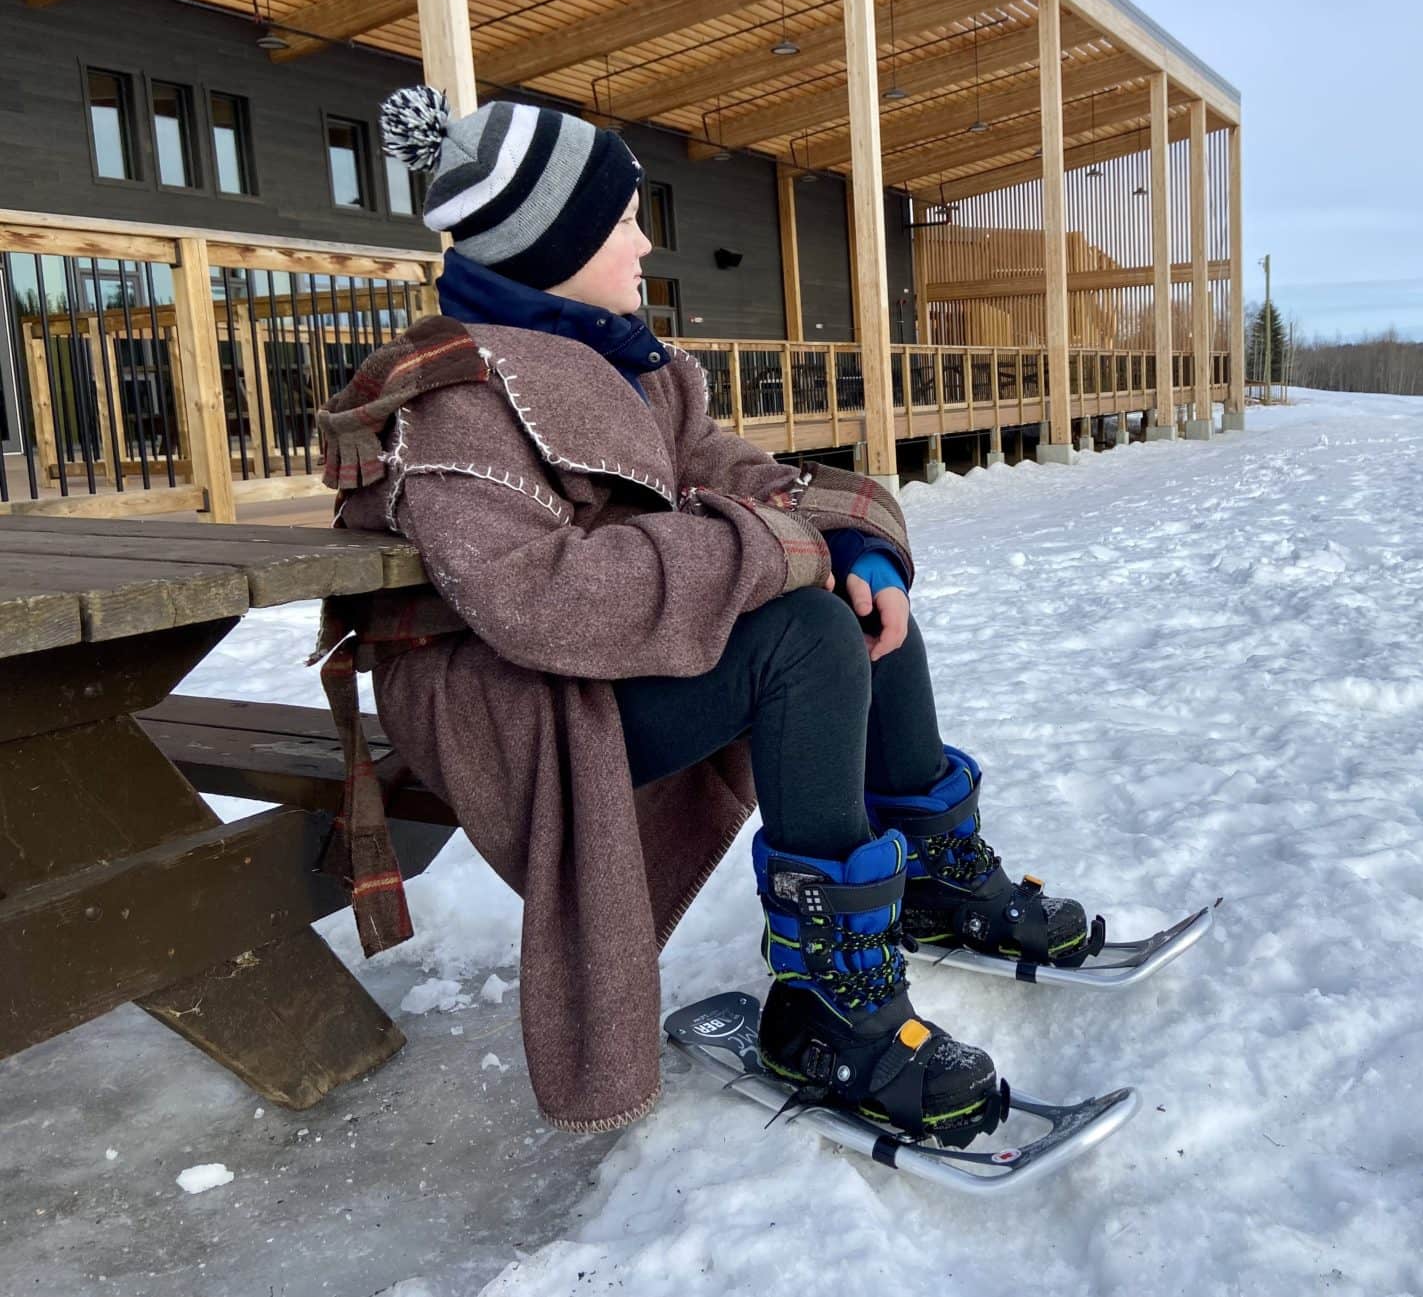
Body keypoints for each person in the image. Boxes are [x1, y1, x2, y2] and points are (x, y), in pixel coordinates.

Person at [312, 87, 1100, 1146]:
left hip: (592, 664)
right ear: (555, 238)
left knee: (852, 598)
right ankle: (823, 1010)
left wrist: (844, 538)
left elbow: (718, 469)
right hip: (512, 702)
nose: (644, 240)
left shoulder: (622, 364)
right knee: (804, 631)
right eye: (623, 218)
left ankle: (927, 873)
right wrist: (772, 557)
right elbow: (537, 598)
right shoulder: (454, 399)